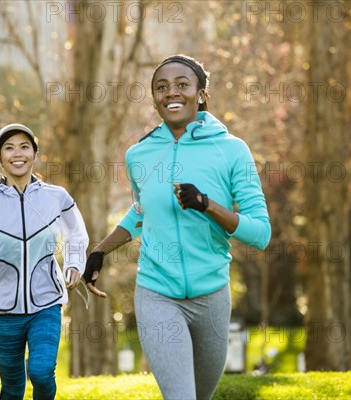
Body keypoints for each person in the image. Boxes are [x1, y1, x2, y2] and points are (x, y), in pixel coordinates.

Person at [83, 55, 271, 399]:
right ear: (154, 97)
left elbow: (260, 234)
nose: (172, 92)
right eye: (162, 87)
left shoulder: (232, 150)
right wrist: (100, 250)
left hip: (212, 297)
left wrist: (207, 205)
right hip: (157, 292)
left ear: (200, 93)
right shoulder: (138, 155)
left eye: (182, 84)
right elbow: (142, 212)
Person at [0, 123, 89, 400]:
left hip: (47, 303)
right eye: (9, 148)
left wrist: (74, 264)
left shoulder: (56, 197)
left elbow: (77, 234)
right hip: (3, 309)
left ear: (34, 154)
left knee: (40, 371)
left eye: (25, 147)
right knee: (12, 388)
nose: (18, 153)